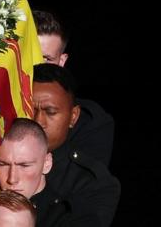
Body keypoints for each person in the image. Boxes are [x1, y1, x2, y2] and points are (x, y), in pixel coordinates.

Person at [32, 63, 121, 227]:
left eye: (50, 112)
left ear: (73, 117)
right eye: (30, 110)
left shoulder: (92, 183)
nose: (38, 121)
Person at [33, 10, 114, 166]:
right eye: (30, 55)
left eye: (46, 58)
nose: (36, 65)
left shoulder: (91, 123)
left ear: (62, 61)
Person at [0, 117, 105, 226]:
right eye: (3, 164)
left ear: (47, 163)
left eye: (24, 165)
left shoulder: (71, 218)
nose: (12, 179)